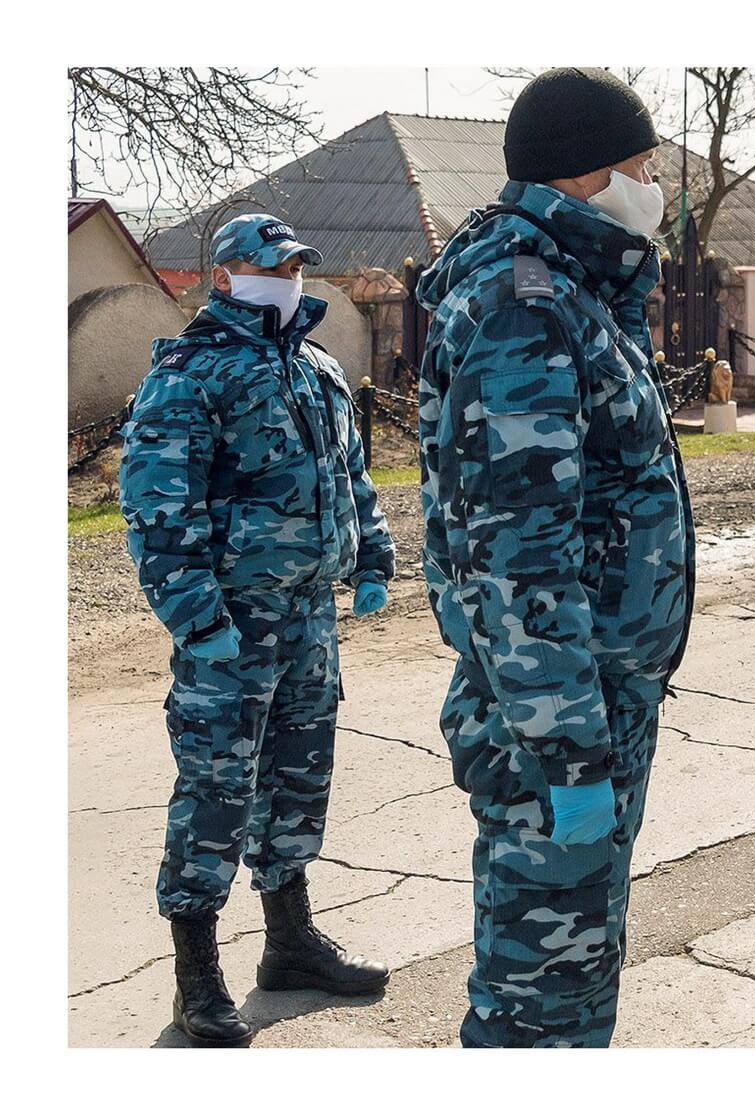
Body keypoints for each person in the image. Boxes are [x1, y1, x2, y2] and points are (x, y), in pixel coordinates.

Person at [413, 67, 693, 1048]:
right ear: (584, 174)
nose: (653, 187)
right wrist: (571, 754)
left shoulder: (574, 288)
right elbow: (516, 563)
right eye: (641, 167)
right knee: (541, 1010)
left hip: (586, 705)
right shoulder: (525, 306)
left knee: (564, 988)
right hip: (555, 727)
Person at [120, 213, 396, 1047]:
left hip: (308, 613)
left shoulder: (316, 366)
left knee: (299, 777)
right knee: (216, 790)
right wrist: (195, 617)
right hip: (231, 622)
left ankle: (289, 943)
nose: (288, 281)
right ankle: (196, 978)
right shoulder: (191, 374)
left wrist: (372, 557)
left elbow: (351, 475)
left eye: (295, 268)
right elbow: (158, 508)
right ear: (225, 276)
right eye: (271, 268)